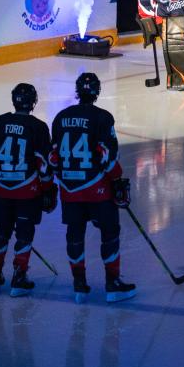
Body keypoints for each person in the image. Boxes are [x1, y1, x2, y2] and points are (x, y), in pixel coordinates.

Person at [49, 73, 135, 303]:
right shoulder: (102, 117)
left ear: (78, 91)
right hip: (97, 189)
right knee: (110, 232)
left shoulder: (60, 117)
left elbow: (54, 157)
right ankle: (112, 284)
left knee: (75, 234)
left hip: (70, 190)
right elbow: (107, 155)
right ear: (97, 91)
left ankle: (79, 285)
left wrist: (63, 180)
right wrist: (117, 180)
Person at [0, 83, 54, 297]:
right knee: (24, 234)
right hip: (28, 192)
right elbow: (44, 165)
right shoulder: (38, 127)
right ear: (34, 102)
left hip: (1, 191)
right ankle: (19, 276)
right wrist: (48, 190)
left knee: (1, 232)